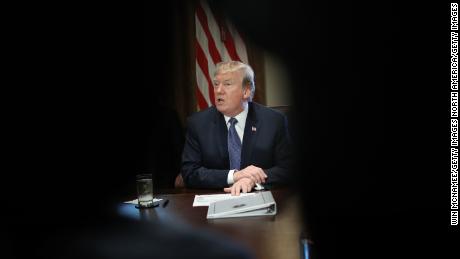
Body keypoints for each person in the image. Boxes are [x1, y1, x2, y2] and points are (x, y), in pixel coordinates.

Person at [181, 61, 292, 195]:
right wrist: (234, 176)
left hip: (260, 197)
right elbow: (189, 173)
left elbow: (288, 168)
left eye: (227, 84)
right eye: (216, 84)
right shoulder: (198, 123)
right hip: (215, 200)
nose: (218, 90)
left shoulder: (273, 121)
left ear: (246, 91)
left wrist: (252, 181)